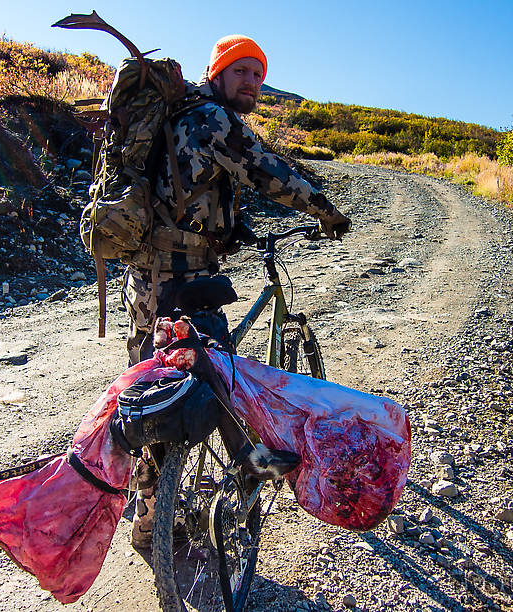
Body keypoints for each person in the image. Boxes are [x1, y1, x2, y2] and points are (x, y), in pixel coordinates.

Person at [125, 34, 350, 548]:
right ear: (218, 72)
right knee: (213, 375)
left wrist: (233, 228)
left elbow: (190, 188)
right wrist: (325, 210)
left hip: (144, 275)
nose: (252, 82)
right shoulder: (213, 119)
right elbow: (267, 170)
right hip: (181, 277)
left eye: (258, 74)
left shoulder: (183, 116)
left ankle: (148, 525)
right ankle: (251, 461)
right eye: (242, 71)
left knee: (154, 394)